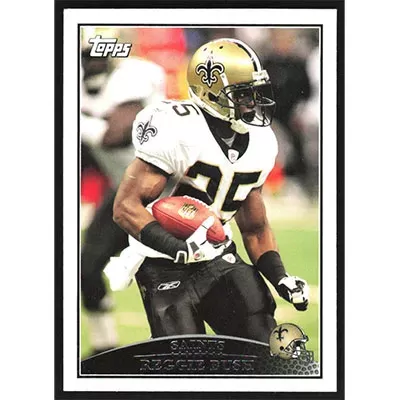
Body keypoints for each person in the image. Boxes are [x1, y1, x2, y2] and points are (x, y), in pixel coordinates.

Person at [111, 38, 309, 342]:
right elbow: (126, 207)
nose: (252, 102)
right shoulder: (176, 128)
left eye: (255, 92)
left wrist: (280, 276)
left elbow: (255, 228)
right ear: (210, 91)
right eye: (242, 94)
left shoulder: (261, 140)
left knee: (261, 333)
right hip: (162, 263)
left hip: (217, 253)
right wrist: (177, 248)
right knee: (183, 355)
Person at [80, 48, 166, 355]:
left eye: (96, 56)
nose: (92, 63)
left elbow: (116, 135)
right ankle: (104, 349)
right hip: (124, 191)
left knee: (168, 277)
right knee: (87, 267)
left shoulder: (132, 75)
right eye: (85, 56)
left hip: (166, 193)